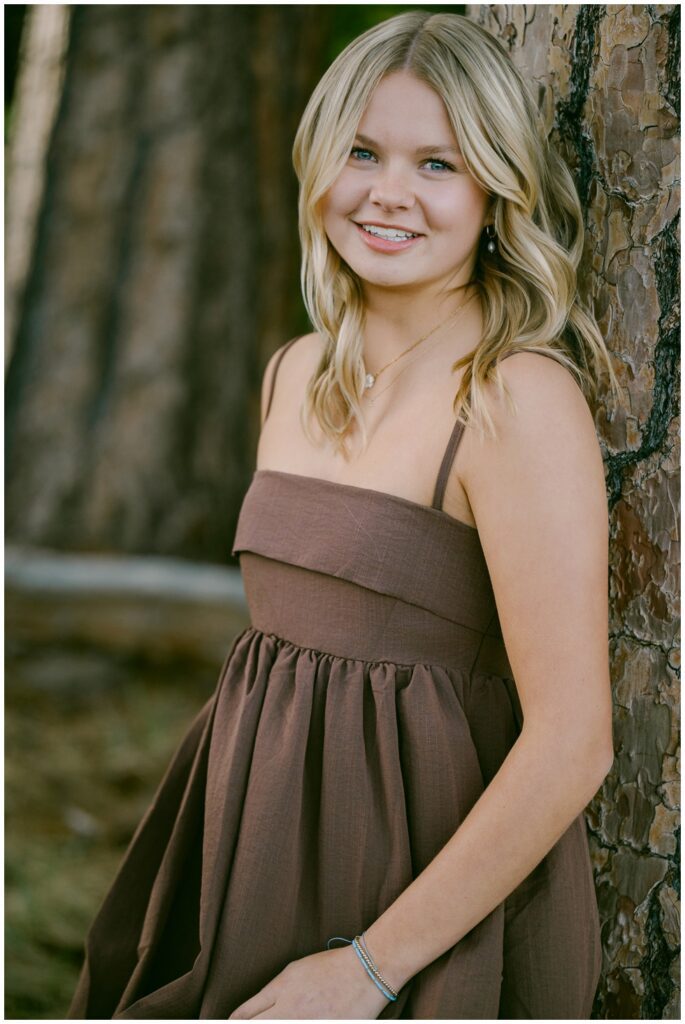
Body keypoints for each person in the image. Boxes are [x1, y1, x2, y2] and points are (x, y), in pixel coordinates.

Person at [68, 10, 620, 1020]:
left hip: (420, 903)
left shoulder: (514, 400)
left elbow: (573, 739)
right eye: (362, 150)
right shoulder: (294, 372)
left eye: (437, 164)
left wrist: (367, 967)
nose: (387, 193)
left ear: (498, 191)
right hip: (249, 848)